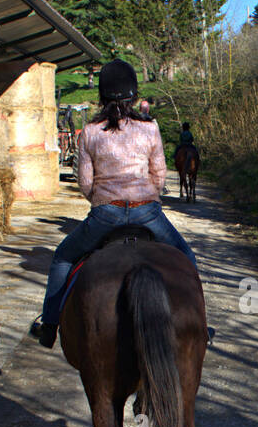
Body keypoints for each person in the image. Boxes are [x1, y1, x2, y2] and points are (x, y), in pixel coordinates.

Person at [31, 60, 198, 349]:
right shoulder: (150, 128)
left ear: (102, 96)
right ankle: (199, 327)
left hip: (105, 214)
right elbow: (159, 176)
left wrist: (103, 201)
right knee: (185, 255)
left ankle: (49, 325)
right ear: (134, 96)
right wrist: (146, 195)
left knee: (62, 257)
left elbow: (85, 182)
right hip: (147, 212)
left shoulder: (90, 131)